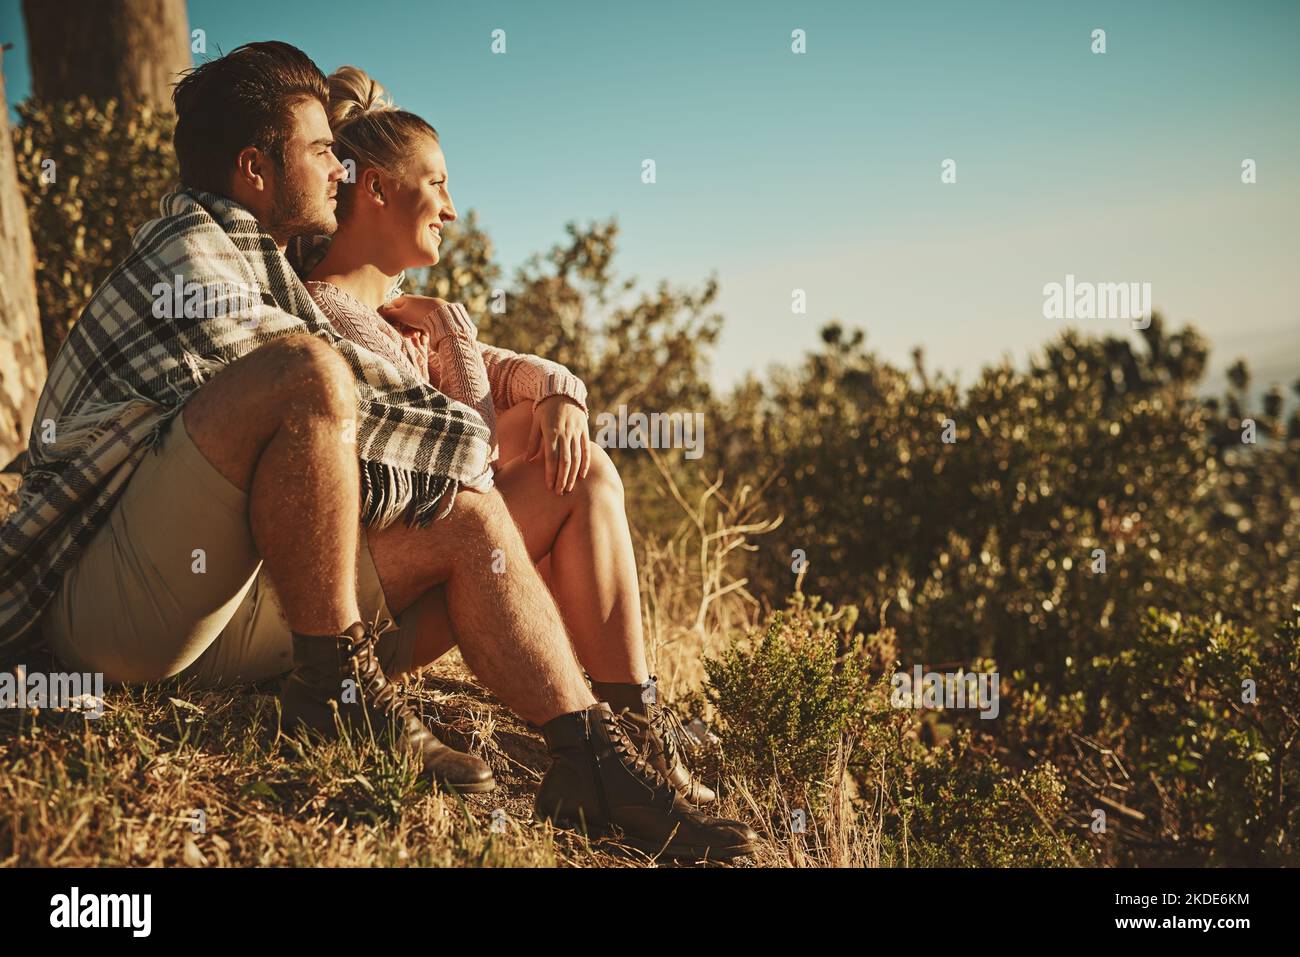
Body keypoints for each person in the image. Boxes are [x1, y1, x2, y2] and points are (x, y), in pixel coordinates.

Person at [0, 41, 756, 859]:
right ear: (256, 168)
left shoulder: (269, 272)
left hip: (211, 618)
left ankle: (594, 764)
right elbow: (357, 401)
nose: (339, 169)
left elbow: (386, 436)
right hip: (111, 614)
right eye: (323, 151)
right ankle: (338, 691)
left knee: (467, 519)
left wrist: (513, 390)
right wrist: (473, 421)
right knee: (309, 374)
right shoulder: (191, 254)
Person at [297, 65, 714, 806]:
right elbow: (463, 469)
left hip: (421, 575)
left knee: (571, 453)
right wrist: (454, 330)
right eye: (438, 183)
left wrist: (561, 397)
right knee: (576, 477)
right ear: (378, 190)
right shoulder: (336, 316)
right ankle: (630, 739)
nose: (453, 210)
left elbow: (515, 373)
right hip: (374, 611)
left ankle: (633, 731)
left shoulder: (392, 314)